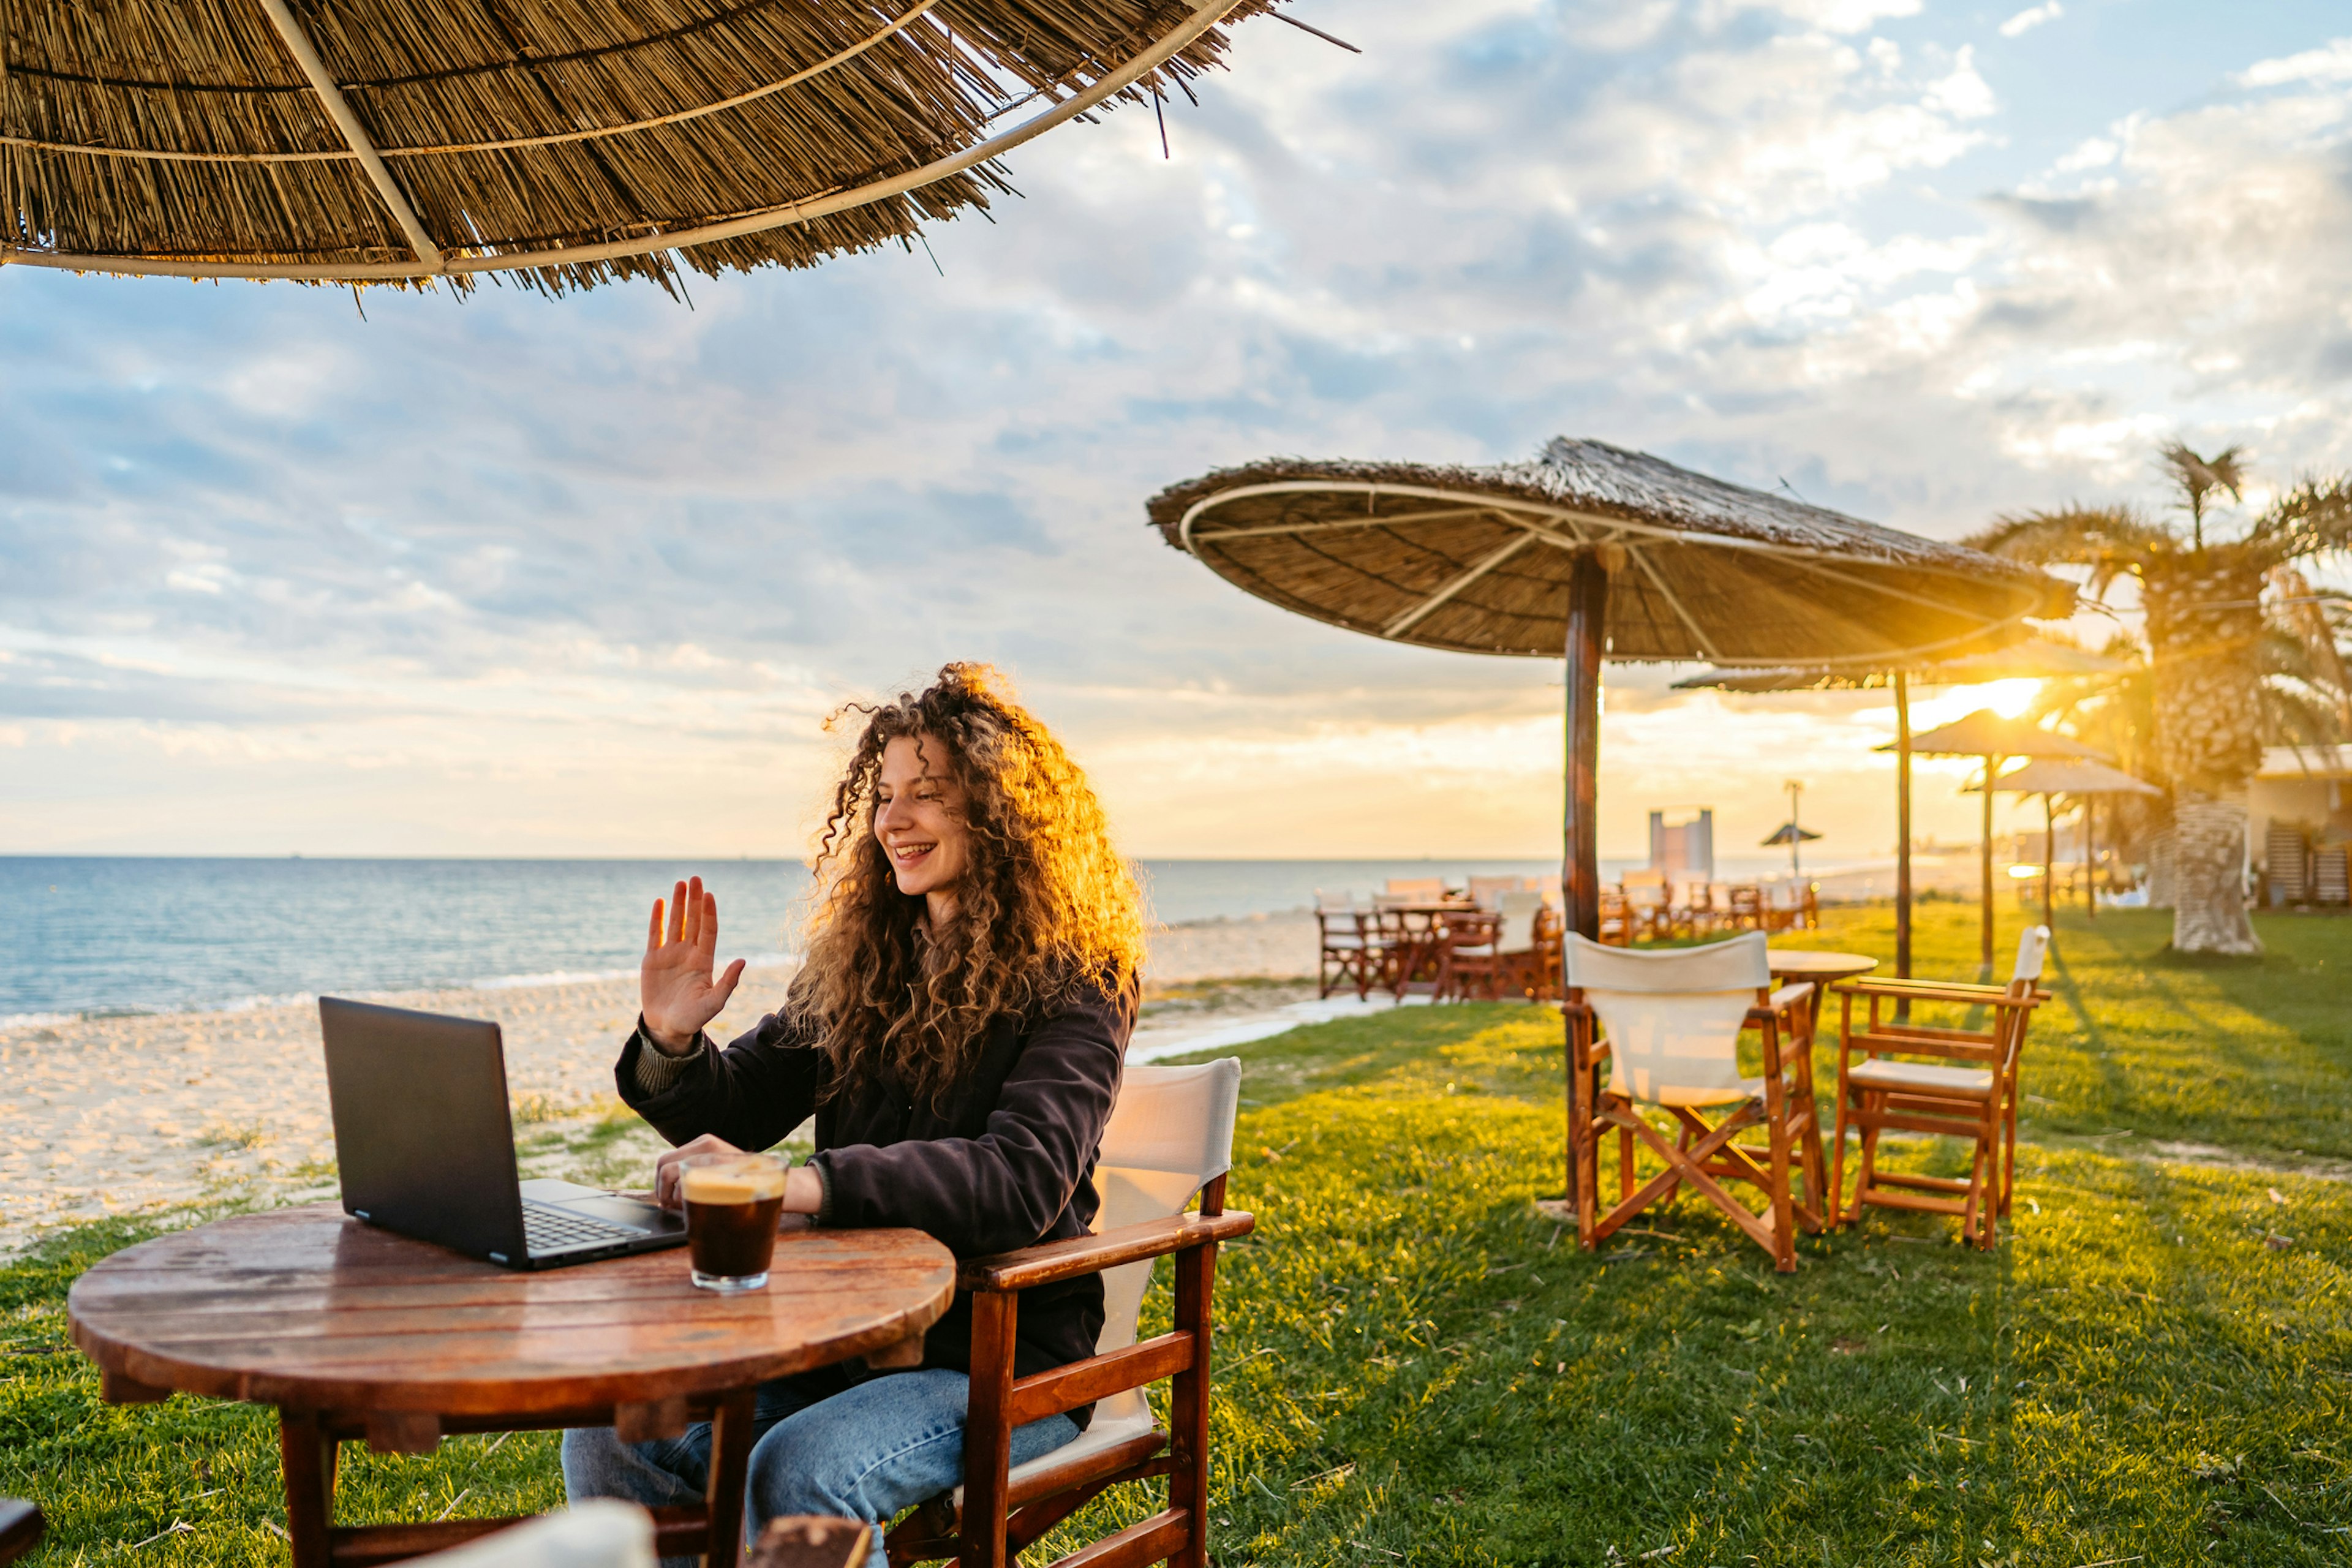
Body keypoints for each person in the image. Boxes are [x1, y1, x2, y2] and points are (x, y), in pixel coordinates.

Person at [562, 663, 1145, 1564]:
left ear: (1003, 811)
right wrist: (670, 1041)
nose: (893, 821)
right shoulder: (865, 961)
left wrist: (803, 1186)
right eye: (882, 797)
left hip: (1000, 1356)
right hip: (844, 1340)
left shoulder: (1078, 979)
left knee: (798, 1470)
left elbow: (1019, 1179)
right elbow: (746, 1104)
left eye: (928, 795)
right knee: (615, 1432)